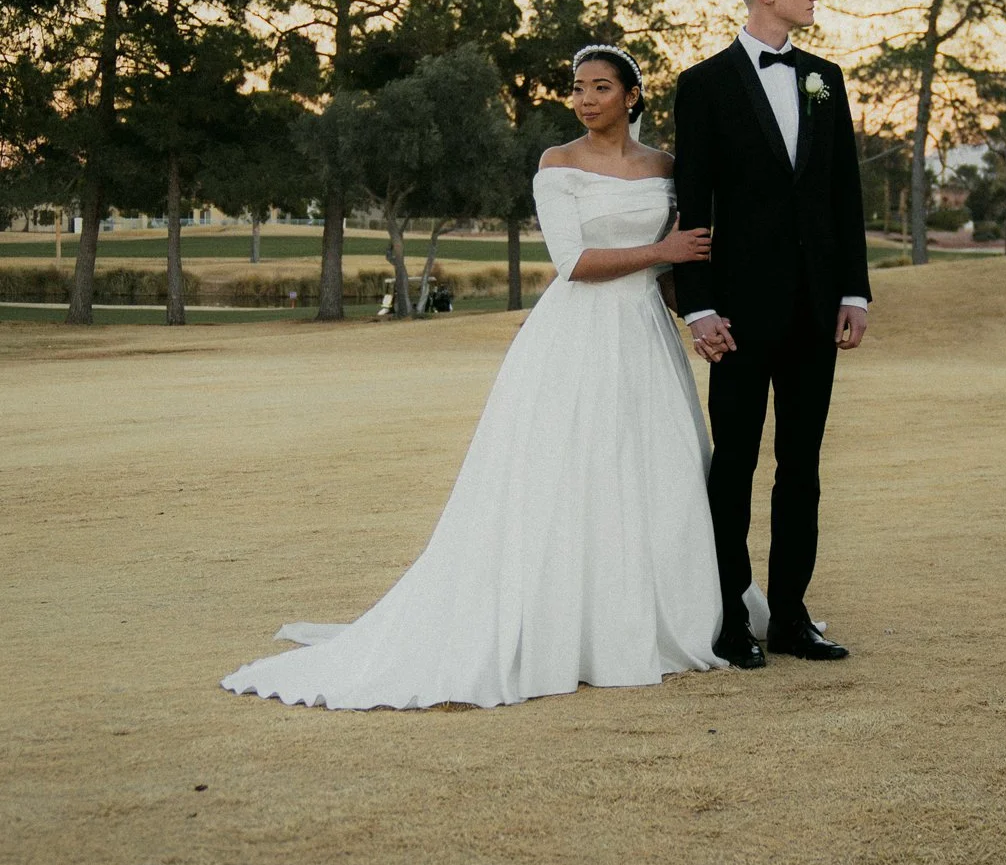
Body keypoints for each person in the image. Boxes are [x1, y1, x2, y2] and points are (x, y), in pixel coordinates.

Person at [221, 46, 724, 710]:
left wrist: (697, 316)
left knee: (653, 466)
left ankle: (654, 614)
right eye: (577, 88)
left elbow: (668, 271)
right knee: (567, 468)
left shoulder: (665, 169)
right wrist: (661, 249)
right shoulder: (558, 164)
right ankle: (564, 621)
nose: (586, 99)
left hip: (645, 339)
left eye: (601, 87)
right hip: (576, 335)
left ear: (633, 96)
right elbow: (573, 260)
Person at [673, 0, 871, 669]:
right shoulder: (703, 85)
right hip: (736, 314)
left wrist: (853, 290)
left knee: (802, 465)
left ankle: (790, 618)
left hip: (817, 311)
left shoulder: (826, 78)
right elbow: (691, 203)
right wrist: (697, 308)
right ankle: (730, 618)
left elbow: (842, 195)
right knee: (734, 465)